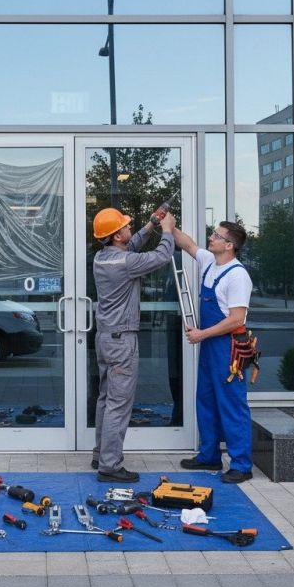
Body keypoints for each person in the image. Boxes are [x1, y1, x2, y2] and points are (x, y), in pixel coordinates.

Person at [91, 206, 176, 483]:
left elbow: (133, 244)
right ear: (116, 236)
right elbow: (162, 256)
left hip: (105, 338)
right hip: (122, 340)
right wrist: (166, 230)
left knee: (106, 399)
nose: (130, 228)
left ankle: (100, 454)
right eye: (125, 226)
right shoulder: (127, 264)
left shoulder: (102, 258)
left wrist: (151, 223)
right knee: (119, 403)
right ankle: (110, 466)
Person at [173, 221, 254, 483]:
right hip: (211, 346)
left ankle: (241, 464)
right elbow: (187, 244)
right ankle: (209, 455)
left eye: (217, 236)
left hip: (229, 348)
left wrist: (202, 334)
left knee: (232, 405)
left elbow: (236, 319)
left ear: (229, 245)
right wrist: (166, 224)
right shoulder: (210, 262)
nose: (211, 237)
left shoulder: (237, 275)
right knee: (206, 400)